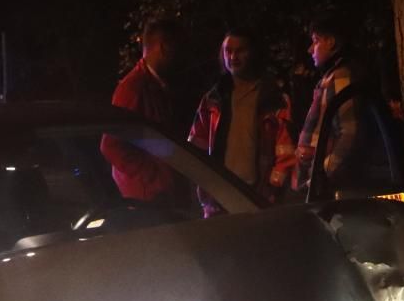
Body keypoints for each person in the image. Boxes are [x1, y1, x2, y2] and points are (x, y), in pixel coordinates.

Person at [187, 28, 295, 210]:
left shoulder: (273, 99)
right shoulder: (213, 99)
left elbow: (286, 151)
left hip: (256, 195)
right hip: (219, 196)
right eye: (228, 51)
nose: (233, 57)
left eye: (240, 50)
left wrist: (272, 189)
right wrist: (203, 189)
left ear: (253, 53)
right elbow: (196, 147)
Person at [102, 16, 181, 203]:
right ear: (164, 47)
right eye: (179, 47)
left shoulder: (156, 85)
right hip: (149, 199)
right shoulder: (134, 88)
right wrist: (153, 176)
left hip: (159, 195)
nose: (181, 55)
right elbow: (111, 145)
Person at [295, 13, 369, 199]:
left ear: (331, 42)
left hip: (330, 188)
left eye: (316, 41)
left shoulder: (340, 77)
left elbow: (350, 133)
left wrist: (322, 174)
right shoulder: (331, 77)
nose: (310, 49)